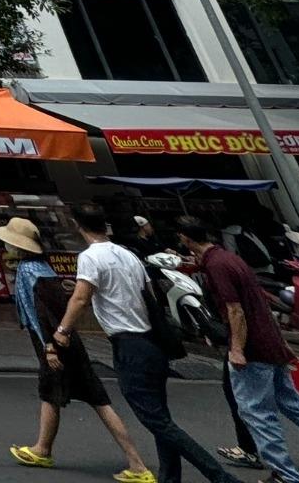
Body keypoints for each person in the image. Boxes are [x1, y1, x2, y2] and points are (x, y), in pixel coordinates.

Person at [54, 202, 245, 483]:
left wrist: (63, 331)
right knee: (160, 417)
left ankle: (221, 477)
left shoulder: (90, 257)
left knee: (156, 421)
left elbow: (81, 298)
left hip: (130, 345)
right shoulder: (128, 255)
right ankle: (170, 477)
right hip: (151, 342)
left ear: (77, 225)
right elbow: (148, 295)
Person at [180, 218, 299, 483]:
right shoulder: (230, 259)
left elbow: (235, 310)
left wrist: (237, 349)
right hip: (269, 345)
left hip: (253, 350)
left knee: (258, 414)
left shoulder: (217, 266)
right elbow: (258, 303)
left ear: (186, 238)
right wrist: (280, 344)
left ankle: (285, 475)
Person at [0, 215, 154, 479]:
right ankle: (44, 449)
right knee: (75, 396)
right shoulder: (42, 269)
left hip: (54, 343)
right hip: (64, 341)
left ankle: (136, 465)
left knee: (67, 394)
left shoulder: (30, 272)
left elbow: (42, 314)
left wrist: (49, 346)